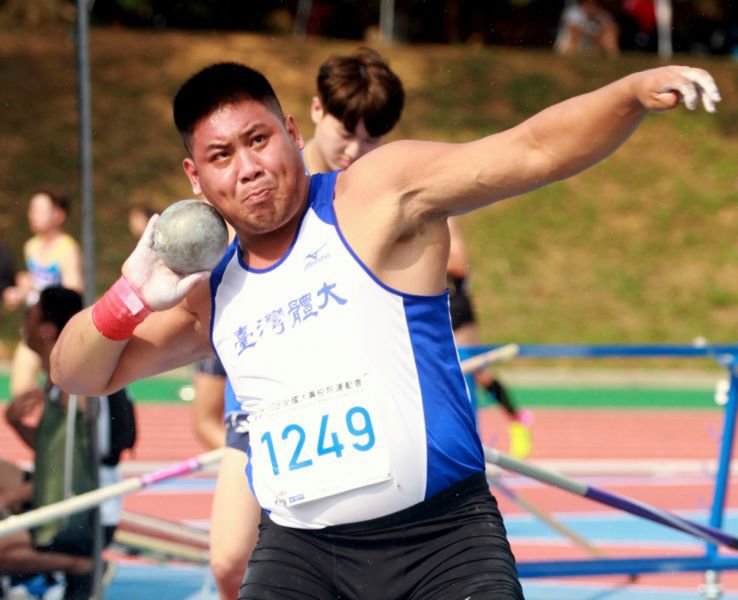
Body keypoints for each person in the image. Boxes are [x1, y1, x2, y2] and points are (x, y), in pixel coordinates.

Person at [50, 61, 720, 599]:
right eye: (221, 156)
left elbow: (532, 149)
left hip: (442, 543)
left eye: (258, 140)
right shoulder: (209, 289)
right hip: (301, 555)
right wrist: (128, 296)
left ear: (291, 131)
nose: (248, 167)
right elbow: (78, 373)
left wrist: (629, 93)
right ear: (195, 178)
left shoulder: (375, 197)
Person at [206, 47, 406, 600]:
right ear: (315, 112)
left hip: (354, 397)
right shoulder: (262, 187)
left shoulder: (372, 193)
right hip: (262, 408)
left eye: (373, 138)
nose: (356, 149)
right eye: (347, 131)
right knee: (228, 560)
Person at [0, 286, 122, 599]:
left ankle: (81, 566)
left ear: (47, 329)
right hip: (64, 492)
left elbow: (81, 465)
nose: (23, 325)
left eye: (29, 316)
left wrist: (16, 495)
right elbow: (58, 454)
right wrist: (15, 423)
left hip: (84, 509)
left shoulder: (75, 383)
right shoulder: (57, 380)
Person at [447, 217, 534, 459]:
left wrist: (426, 262)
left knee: (477, 372)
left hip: (455, 306)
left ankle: (517, 420)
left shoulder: (447, 221)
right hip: (428, 306)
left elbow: (460, 265)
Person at [3, 189, 84, 398]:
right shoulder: (31, 246)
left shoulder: (67, 248)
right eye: (32, 210)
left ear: (58, 215)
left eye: (40, 210)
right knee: (20, 391)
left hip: (58, 334)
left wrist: (36, 288)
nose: (33, 215)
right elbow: (31, 285)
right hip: (34, 331)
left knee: (66, 393)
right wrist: (19, 292)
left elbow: (74, 291)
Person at [555, 0, 620, 57]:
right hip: (572, 45)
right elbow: (574, 31)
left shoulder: (601, 14)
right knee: (575, 33)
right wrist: (595, 34)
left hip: (592, 46)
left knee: (609, 33)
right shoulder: (574, 12)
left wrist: (600, 35)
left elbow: (613, 29)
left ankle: (612, 57)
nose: (592, 4)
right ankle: (572, 55)